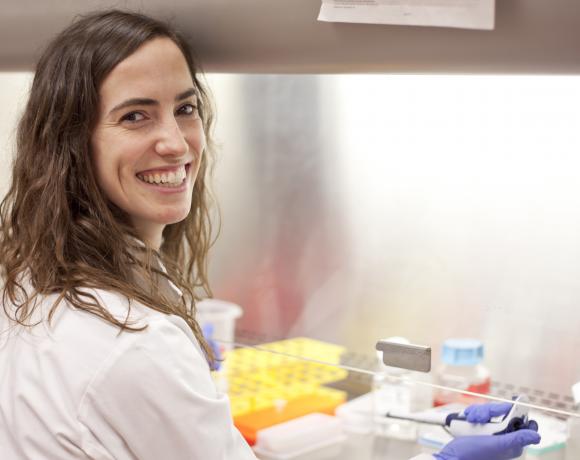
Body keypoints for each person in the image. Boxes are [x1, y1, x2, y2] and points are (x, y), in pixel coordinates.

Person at [0, 9, 540, 460]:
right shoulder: (133, 340)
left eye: (185, 109)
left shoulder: (27, 277)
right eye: (135, 117)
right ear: (71, 143)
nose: (176, 143)